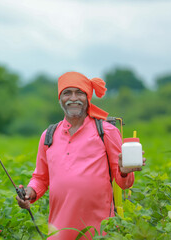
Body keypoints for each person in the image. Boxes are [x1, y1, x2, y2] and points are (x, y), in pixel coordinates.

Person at [16, 71, 146, 239]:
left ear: (88, 97)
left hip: (99, 231)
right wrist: (29, 193)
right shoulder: (48, 135)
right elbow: (40, 178)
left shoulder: (106, 132)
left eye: (79, 93)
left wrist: (124, 170)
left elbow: (124, 183)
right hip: (59, 232)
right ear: (60, 98)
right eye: (67, 93)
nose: (73, 98)